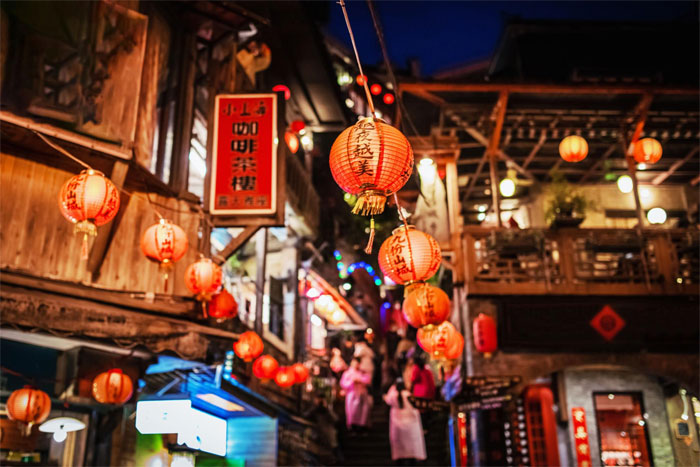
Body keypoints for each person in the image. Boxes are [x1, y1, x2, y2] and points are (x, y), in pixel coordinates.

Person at [383, 378, 427, 465]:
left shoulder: (392, 396)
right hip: (411, 428)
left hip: (398, 428)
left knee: (401, 451)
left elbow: (387, 398)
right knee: (411, 451)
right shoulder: (408, 396)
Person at [304, 395, 344, 464]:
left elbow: (335, 419)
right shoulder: (314, 411)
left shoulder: (327, 412)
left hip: (329, 436)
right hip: (319, 436)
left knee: (335, 451)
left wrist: (327, 409)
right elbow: (306, 416)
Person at [339, 357, 372, 433]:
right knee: (352, 411)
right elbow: (343, 383)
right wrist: (352, 382)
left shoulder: (362, 372)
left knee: (363, 411)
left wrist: (360, 380)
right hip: (352, 393)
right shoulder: (348, 373)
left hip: (362, 393)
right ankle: (352, 427)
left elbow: (368, 380)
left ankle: (362, 427)